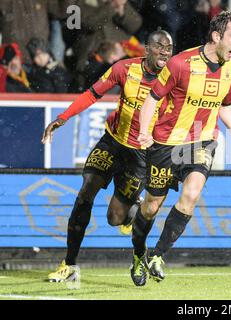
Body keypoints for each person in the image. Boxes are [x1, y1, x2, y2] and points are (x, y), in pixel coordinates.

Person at [131, 11, 231, 286]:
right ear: (216, 36)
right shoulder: (181, 64)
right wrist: (143, 131)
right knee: (151, 207)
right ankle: (138, 253)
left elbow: (225, 106)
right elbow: (153, 99)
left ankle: (157, 255)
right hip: (166, 142)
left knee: (191, 194)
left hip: (202, 140)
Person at [42, 30, 174, 283]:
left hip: (140, 155)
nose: (165, 51)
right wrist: (63, 118)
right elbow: (93, 93)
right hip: (112, 142)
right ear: (146, 49)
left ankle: (133, 213)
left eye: (169, 48)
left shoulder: (173, 79)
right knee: (86, 192)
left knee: (115, 218)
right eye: (159, 46)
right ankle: (69, 264)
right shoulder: (124, 69)